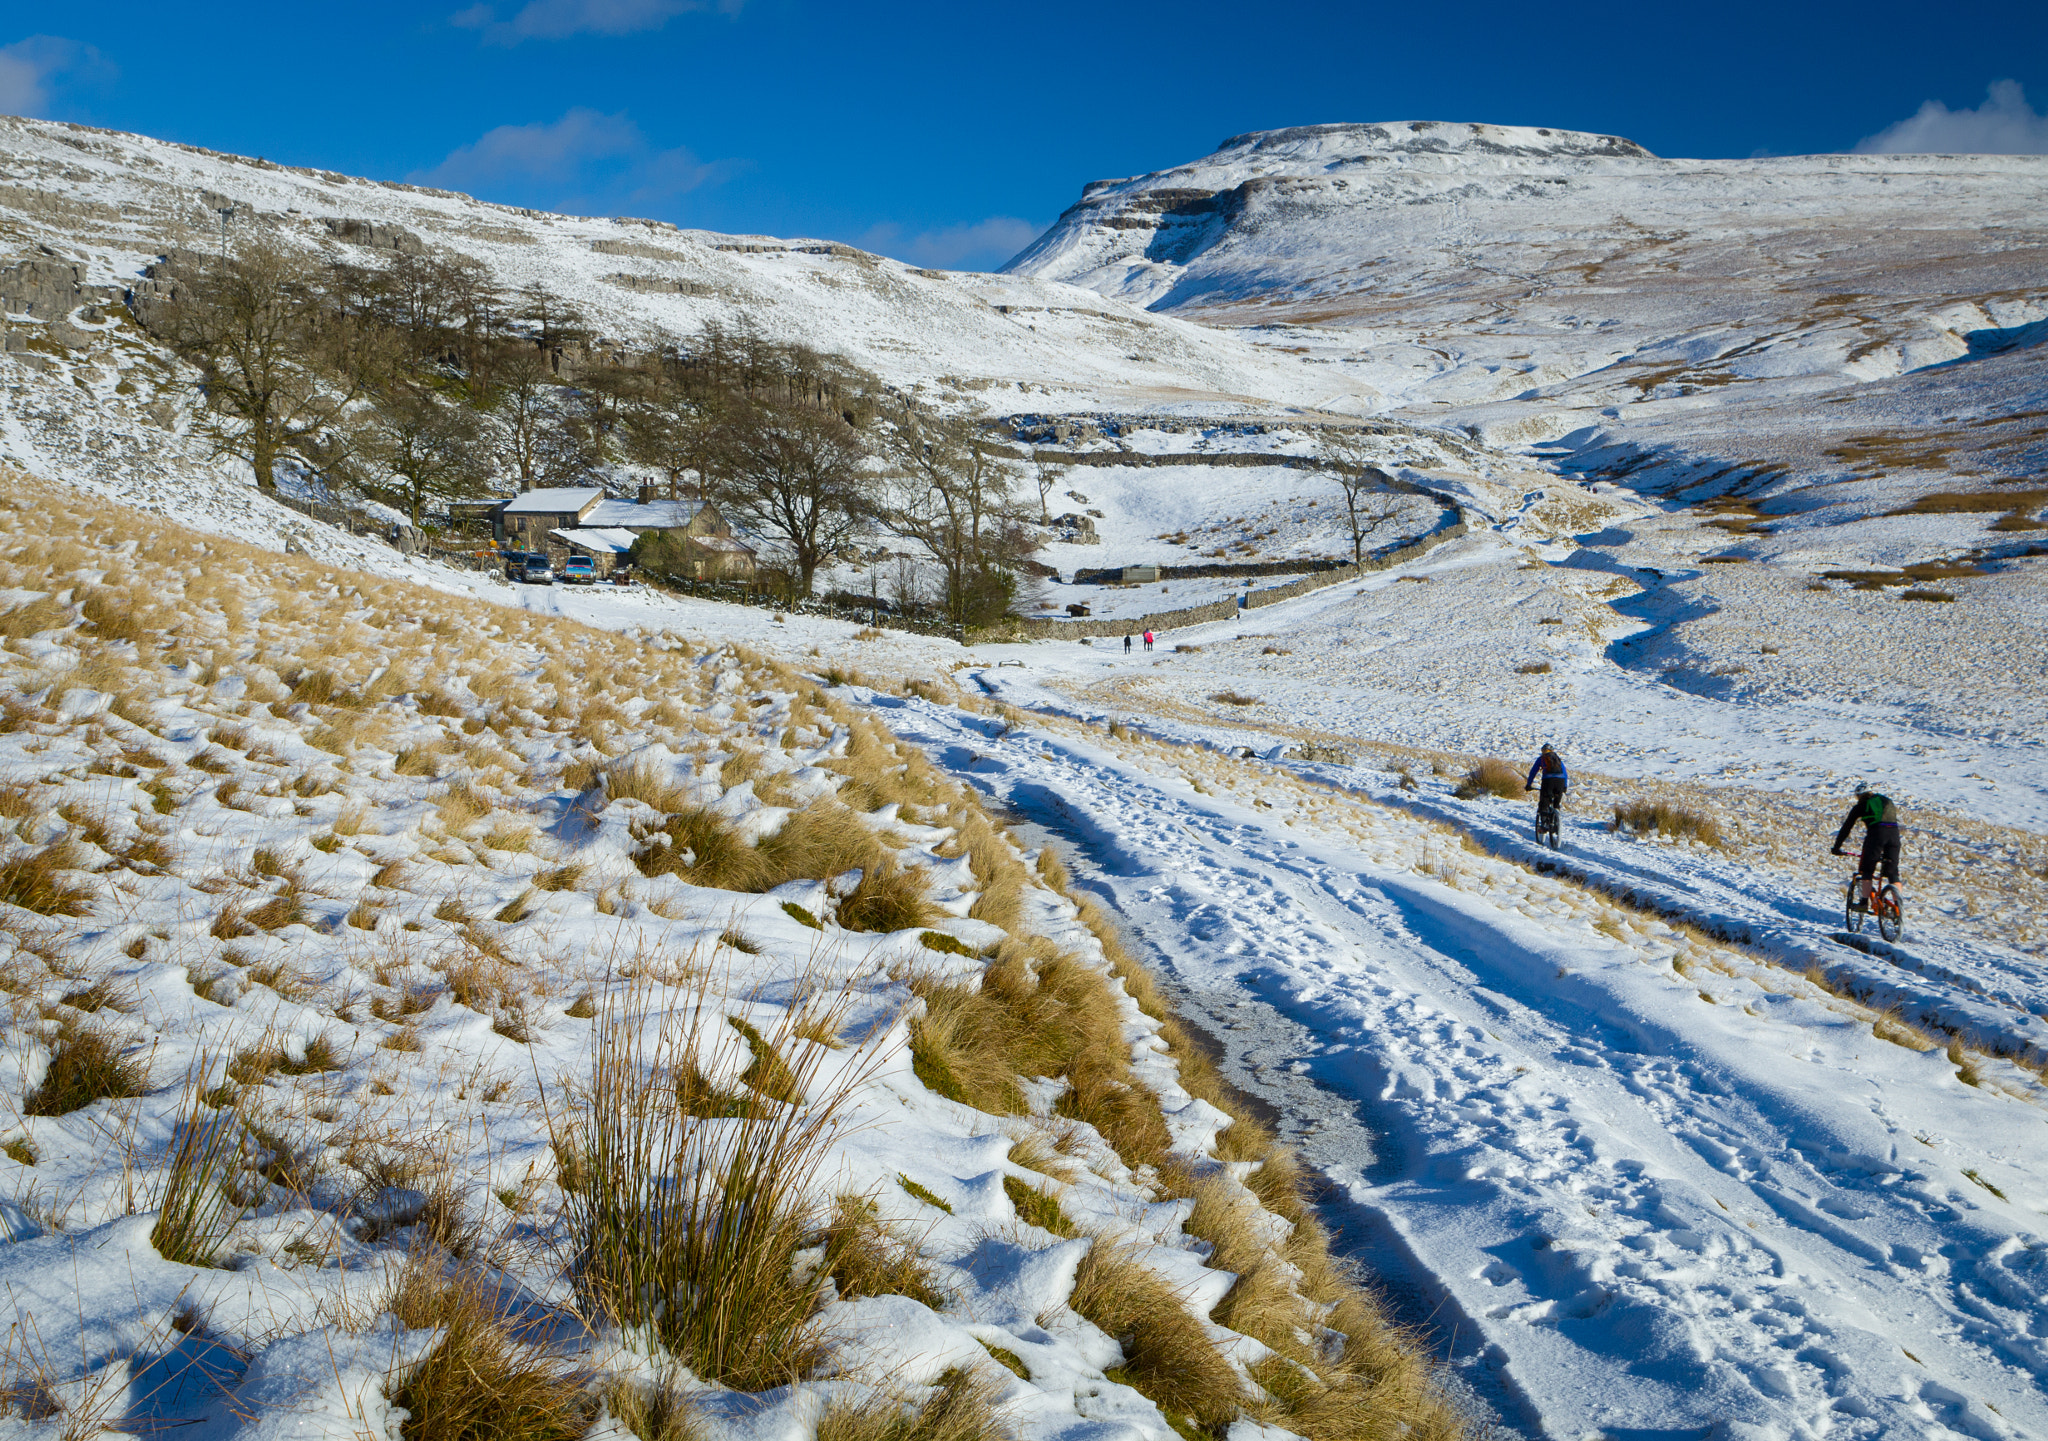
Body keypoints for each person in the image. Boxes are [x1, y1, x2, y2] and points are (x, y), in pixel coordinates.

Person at [1832, 782, 1901, 890]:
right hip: (1894, 834)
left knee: (1867, 871)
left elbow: (1846, 828)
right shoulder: (1886, 801)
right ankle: (1898, 904)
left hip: (1877, 834)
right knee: (1893, 873)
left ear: (1859, 795)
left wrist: (1836, 847)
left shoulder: (1861, 806)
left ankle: (1863, 903)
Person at [1524, 743, 1568, 816]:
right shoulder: (1557, 759)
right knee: (1556, 802)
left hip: (1548, 780)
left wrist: (1529, 784)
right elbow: (1565, 773)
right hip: (1560, 781)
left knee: (1544, 801)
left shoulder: (1541, 758)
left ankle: (1544, 821)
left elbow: (1533, 772)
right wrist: (1565, 786)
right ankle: (1556, 816)